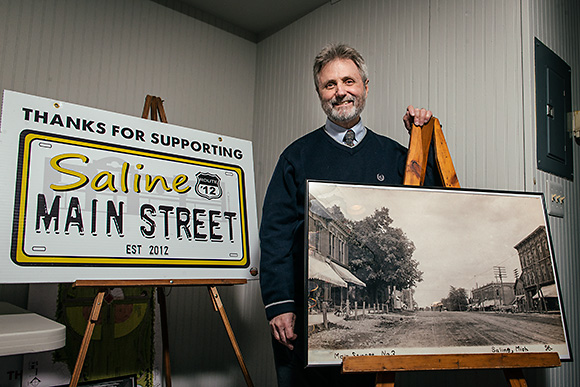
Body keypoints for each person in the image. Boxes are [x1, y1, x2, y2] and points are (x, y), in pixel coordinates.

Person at [259, 43, 438, 387]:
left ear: (365, 87)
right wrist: (278, 304)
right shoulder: (296, 156)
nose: (340, 91)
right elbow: (275, 234)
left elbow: (434, 195)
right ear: (320, 94)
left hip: (374, 360)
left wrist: (422, 138)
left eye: (349, 81)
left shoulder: (395, 155)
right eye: (329, 85)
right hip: (298, 326)